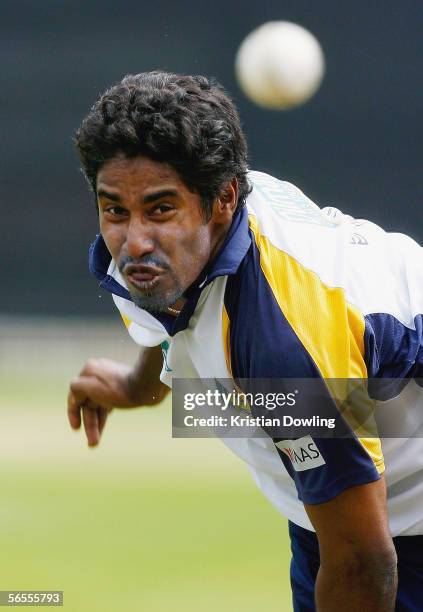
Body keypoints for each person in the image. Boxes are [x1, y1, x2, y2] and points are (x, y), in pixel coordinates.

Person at [68, 71, 423, 611]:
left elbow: (362, 561)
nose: (133, 239)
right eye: (114, 208)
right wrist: (139, 386)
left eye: (160, 209)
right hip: (344, 515)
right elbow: (170, 319)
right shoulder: (157, 254)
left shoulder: (282, 347)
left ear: (225, 200)